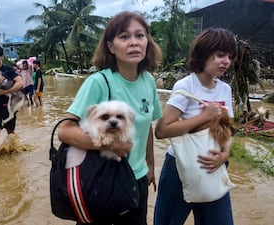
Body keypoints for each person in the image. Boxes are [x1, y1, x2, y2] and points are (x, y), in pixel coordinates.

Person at [58, 11, 162, 225]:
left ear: (147, 42)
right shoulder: (98, 82)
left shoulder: (148, 81)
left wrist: (150, 166)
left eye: (140, 36)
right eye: (124, 37)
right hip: (101, 178)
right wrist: (110, 145)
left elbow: (146, 126)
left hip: (137, 178)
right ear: (111, 47)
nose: (134, 42)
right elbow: (65, 131)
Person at [153, 28, 237, 225]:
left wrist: (225, 154)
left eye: (230, 57)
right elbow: (161, 130)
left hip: (214, 167)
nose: (226, 61)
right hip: (180, 169)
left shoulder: (225, 89)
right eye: (220, 55)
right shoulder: (186, 86)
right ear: (204, 54)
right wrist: (204, 117)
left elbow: (228, 128)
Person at [0, 44, 23, 146]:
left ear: (1, 57)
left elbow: (20, 83)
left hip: (9, 105)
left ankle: (12, 152)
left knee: (10, 132)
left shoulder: (9, 69)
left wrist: (5, 92)